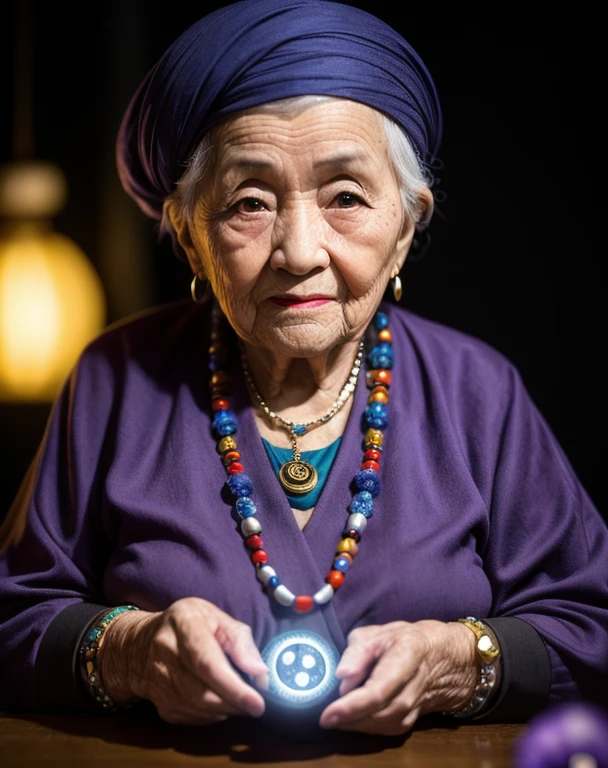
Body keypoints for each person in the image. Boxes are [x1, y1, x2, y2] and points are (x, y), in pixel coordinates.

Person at [1, 0, 606, 738]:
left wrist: (463, 659)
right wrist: (128, 651)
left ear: (407, 225)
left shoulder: (478, 391)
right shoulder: (116, 378)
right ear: (190, 238)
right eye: (248, 203)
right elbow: (13, 619)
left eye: (346, 197)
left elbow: (593, 626)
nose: (299, 249)